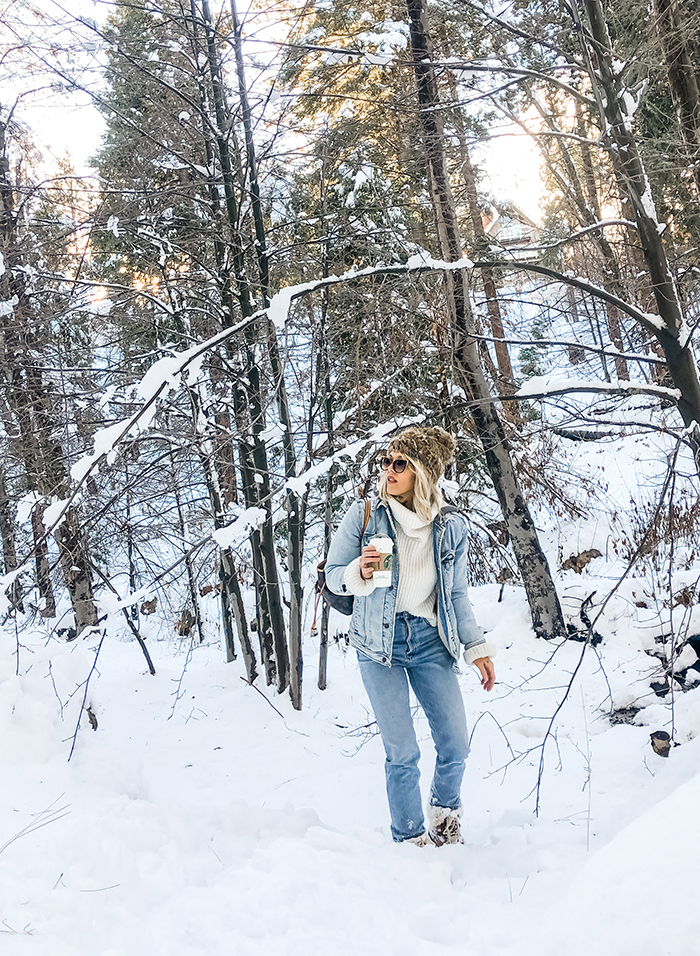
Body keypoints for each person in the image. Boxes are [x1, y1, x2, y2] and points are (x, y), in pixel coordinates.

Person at [324, 426, 495, 846]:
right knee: (403, 754)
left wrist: (476, 649)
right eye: (386, 461)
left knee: (455, 744)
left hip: (429, 641)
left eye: (400, 463)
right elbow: (332, 576)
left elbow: (455, 594)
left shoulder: (450, 527)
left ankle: (444, 818)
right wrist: (358, 573)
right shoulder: (365, 515)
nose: (389, 470)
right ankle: (410, 840)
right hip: (377, 644)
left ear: (423, 472)